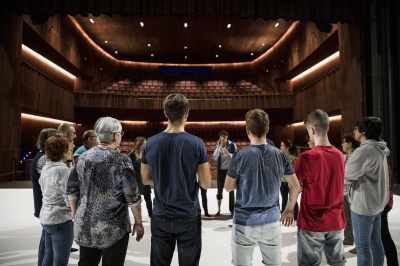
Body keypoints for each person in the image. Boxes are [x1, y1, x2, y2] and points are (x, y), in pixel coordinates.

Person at [141, 93, 211, 266]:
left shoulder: (150, 143)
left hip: (161, 215)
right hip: (188, 215)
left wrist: (166, 180)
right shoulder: (197, 143)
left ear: (165, 113)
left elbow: (145, 179)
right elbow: (206, 183)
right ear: (187, 113)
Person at [225, 109, 301, 265]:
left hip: (244, 222)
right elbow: (295, 185)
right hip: (271, 220)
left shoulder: (240, 156)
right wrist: (289, 208)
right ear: (267, 128)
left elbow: (228, 187)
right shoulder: (280, 155)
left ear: (247, 130)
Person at [67, 117, 144, 266]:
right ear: (116, 135)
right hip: (113, 228)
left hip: (86, 225)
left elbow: (72, 189)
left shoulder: (82, 157)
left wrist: (76, 215)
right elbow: (132, 196)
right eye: (121, 133)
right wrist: (138, 222)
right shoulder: (121, 160)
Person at [294, 109, 346, 266]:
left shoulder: (307, 157)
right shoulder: (340, 155)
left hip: (312, 221)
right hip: (335, 220)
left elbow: (294, 183)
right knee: (337, 263)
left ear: (311, 129)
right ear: (327, 127)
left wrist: (290, 207)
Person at [345, 116, 389, 266]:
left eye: (356, 128)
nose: (354, 131)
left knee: (363, 246)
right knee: (376, 242)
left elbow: (348, 175)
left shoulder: (364, 151)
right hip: (377, 203)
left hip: (364, 205)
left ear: (363, 131)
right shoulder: (379, 148)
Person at [39, 135, 74, 265]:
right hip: (60, 219)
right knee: (60, 260)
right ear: (64, 151)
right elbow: (69, 197)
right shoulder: (63, 171)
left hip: (46, 217)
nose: (70, 151)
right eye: (69, 149)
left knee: (48, 256)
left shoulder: (46, 167)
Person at [30, 128, 59, 265]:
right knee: (48, 245)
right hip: (47, 206)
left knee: (47, 241)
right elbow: (53, 185)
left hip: (46, 205)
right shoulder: (43, 159)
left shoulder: (42, 156)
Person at [341, 134, 360, 250]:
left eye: (344, 142)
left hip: (355, 191)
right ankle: (348, 238)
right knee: (346, 216)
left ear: (350, 144)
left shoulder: (357, 157)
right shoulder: (344, 157)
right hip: (344, 190)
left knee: (356, 218)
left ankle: (359, 245)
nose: (342, 145)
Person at [213, 129, 237, 216]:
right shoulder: (217, 145)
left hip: (230, 170)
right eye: (221, 137)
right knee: (219, 190)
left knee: (231, 191)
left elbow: (236, 157)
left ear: (227, 137)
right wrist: (219, 146)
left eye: (224, 137)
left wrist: (228, 154)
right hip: (221, 170)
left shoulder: (232, 145)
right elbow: (215, 157)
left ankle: (232, 210)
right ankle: (218, 209)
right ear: (219, 138)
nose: (223, 139)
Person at [129, 136, 153, 218]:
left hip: (144, 178)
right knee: (136, 200)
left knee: (148, 199)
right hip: (135, 180)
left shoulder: (147, 154)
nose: (145, 145)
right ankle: (137, 217)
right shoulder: (132, 155)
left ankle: (151, 215)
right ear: (139, 145)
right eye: (144, 144)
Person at [381, 161, 399, 266]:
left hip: (383, 203)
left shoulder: (382, 164)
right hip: (385, 202)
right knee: (383, 237)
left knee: (385, 237)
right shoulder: (384, 163)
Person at [279, 139, 300, 223]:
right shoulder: (282, 157)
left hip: (289, 182)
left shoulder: (292, 158)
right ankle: (284, 214)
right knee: (284, 198)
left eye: (282, 146)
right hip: (282, 181)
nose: (281, 147)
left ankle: (295, 215)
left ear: (287, 147)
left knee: (292, 199)